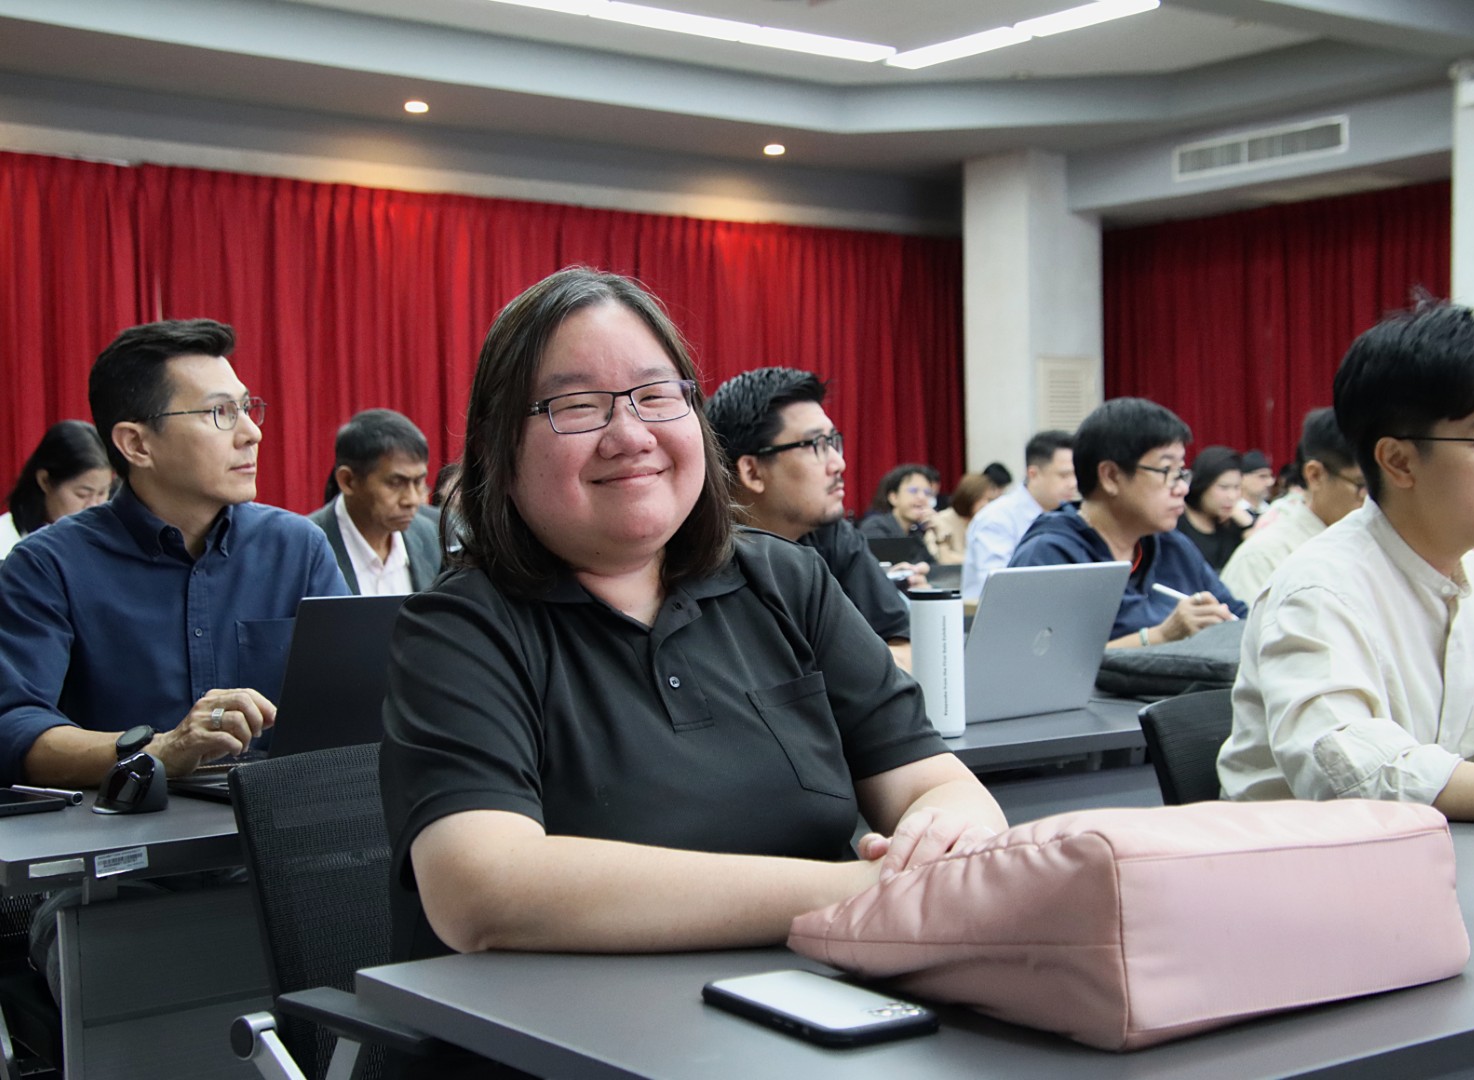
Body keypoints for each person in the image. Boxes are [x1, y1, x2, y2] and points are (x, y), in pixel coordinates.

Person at [380, 267, 1006, 967]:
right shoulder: (459, 630)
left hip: (826, 996)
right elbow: (483, 888)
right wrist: (862, 893)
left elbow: (936, 782)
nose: (630, 434)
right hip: (572, 1022)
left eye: (655, 396)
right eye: (578, 406)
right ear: (500, 448)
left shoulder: (786, 581)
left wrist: (942, 844)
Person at [1218, 301, 1474, 826]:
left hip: (1461, 857)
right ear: (1399, 461)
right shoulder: (1319, 589)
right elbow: (1354, 776)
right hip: (1308, 863)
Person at [0, 318, 348, 789]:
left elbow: (354, 703)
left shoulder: (298, 547)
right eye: (220, 413)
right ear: (137, 444)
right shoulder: (48, 566)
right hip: (127, 828)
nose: (252, 433)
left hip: (277, 824)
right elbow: (14, 729)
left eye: (247, 408)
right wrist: (160, 749)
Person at [705, 367, 918, 668]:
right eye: (816, 445)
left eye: (833, 442)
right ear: (752, 472)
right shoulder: (700, 557)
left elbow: (902, 647)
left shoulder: (830, 533)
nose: (839, 463)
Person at [1009, 398, 1246, 647]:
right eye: (1167, 471)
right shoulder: (1050, 556)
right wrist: (1160, 636)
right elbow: (1032, 662)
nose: (1182, 489)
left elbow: (1239, 620)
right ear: (1111, 477)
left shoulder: (1172, 547)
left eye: (1181, 473)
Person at [1221, 408, 1366, 604]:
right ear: (1315, 475)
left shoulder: (1373, 544)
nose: (1372, 500)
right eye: (1362, 485)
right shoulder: (1263, 556)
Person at [309, 408, 441, 595]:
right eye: (395, 483)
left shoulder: (433, 535)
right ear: (348, 481)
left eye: (418, 482)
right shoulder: (306, 546)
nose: (412, 500)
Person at [960, 430, 1077, 601]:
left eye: (1076, 474)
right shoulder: (997, 518)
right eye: (1064, 475)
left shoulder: (1069, 515)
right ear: (1033, 474)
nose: (1073, 484)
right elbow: (998, 588)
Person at [0, 420, 115, 560]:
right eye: (83, 494)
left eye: (102, 493)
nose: (94, 505)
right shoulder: (5, 541)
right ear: (45, 481)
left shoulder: (115, 540)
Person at [1175, 446, 1248, 571]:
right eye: (1224, 487)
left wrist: (1247, 525)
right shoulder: (1176, 523)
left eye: (1237, 487)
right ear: (1202, 485)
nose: (1231, 496)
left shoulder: (1234, 524)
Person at [857, 463, 941, 548]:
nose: (922, 497)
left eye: (927, 492)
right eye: (913, 491)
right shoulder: (875, 527)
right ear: (894, 498)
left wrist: (938, 533)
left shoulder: (917, 533)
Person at [929, 472, 998, 565]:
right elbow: (942, 559)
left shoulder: (984, 523)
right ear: (970, 496)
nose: (988, 505)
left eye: (991, 500)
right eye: (985, 499)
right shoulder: (941, 520)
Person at [1238, 449, 1273, 516]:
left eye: (1270, 476)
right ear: (1242, 479)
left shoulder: (1273, 513)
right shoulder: (1230, 514)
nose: (1270, 482)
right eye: (1262, 476)